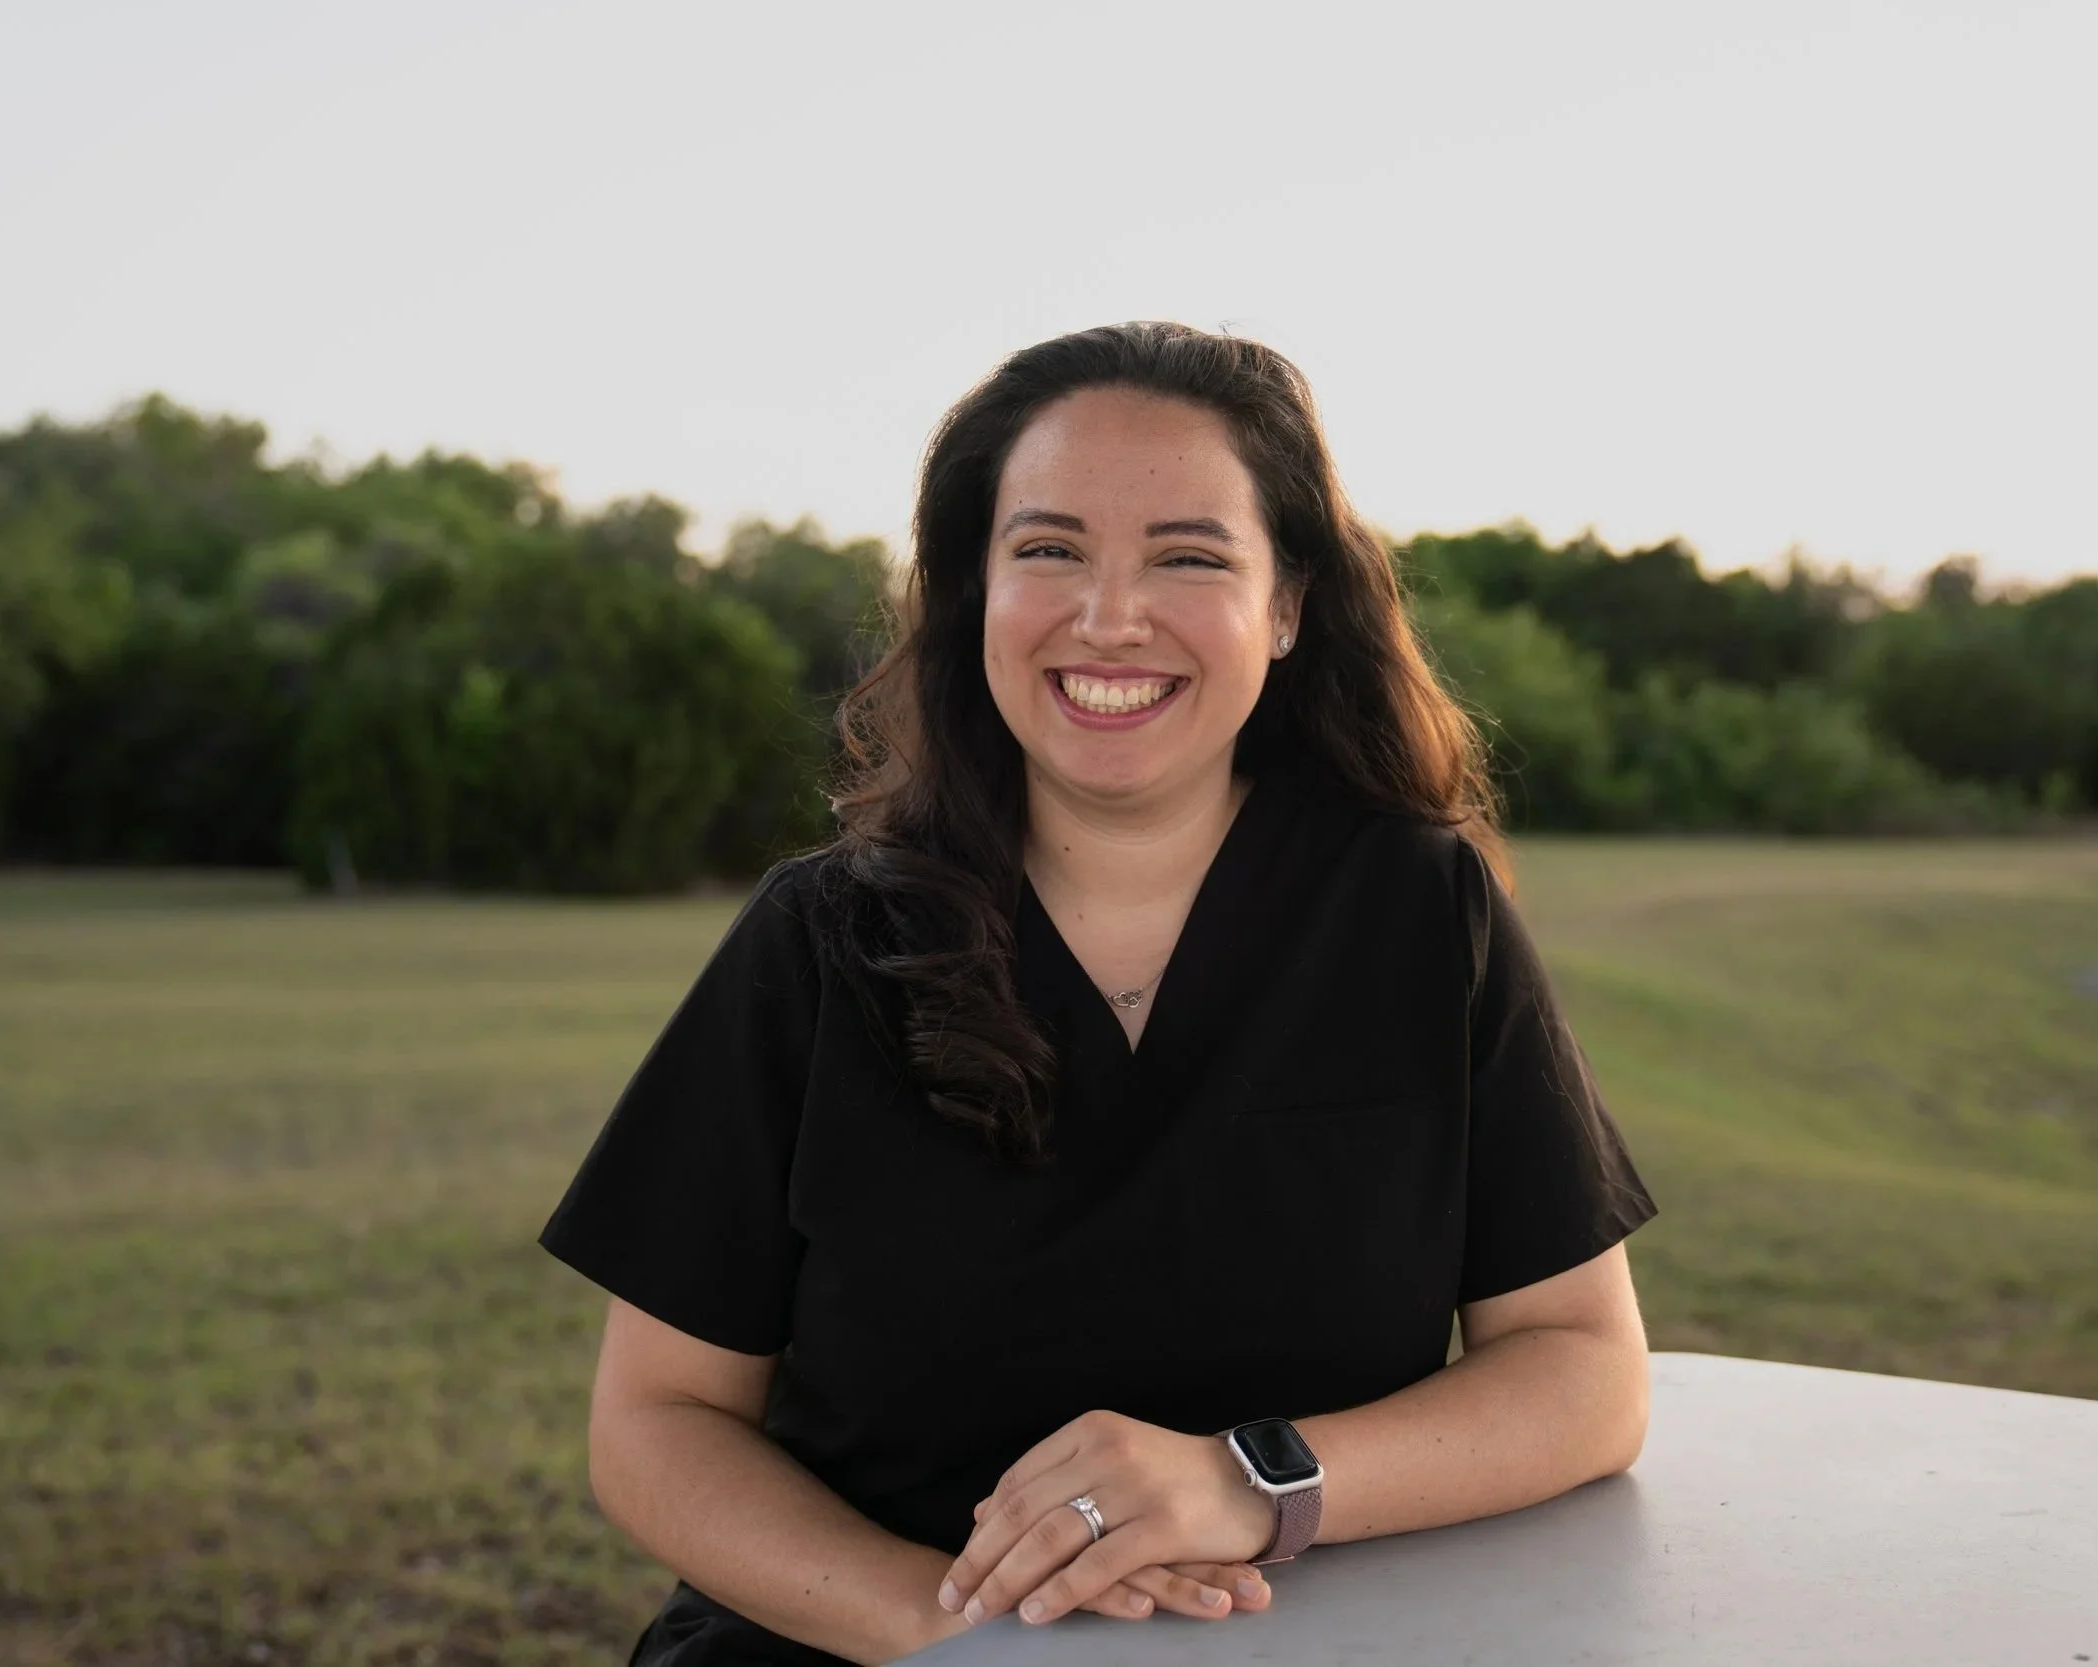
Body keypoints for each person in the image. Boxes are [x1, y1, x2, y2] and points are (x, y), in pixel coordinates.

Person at [540, 321, 1657, 1665]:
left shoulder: (1419, 913)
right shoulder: (821, 939)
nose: (1109, 615)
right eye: (1049, 549)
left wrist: (1255, 1479)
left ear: (1288, 605)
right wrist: (956, 1636)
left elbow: (1585, 1371)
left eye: (1188, 556)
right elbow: (654, 1424)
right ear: (975, 592)